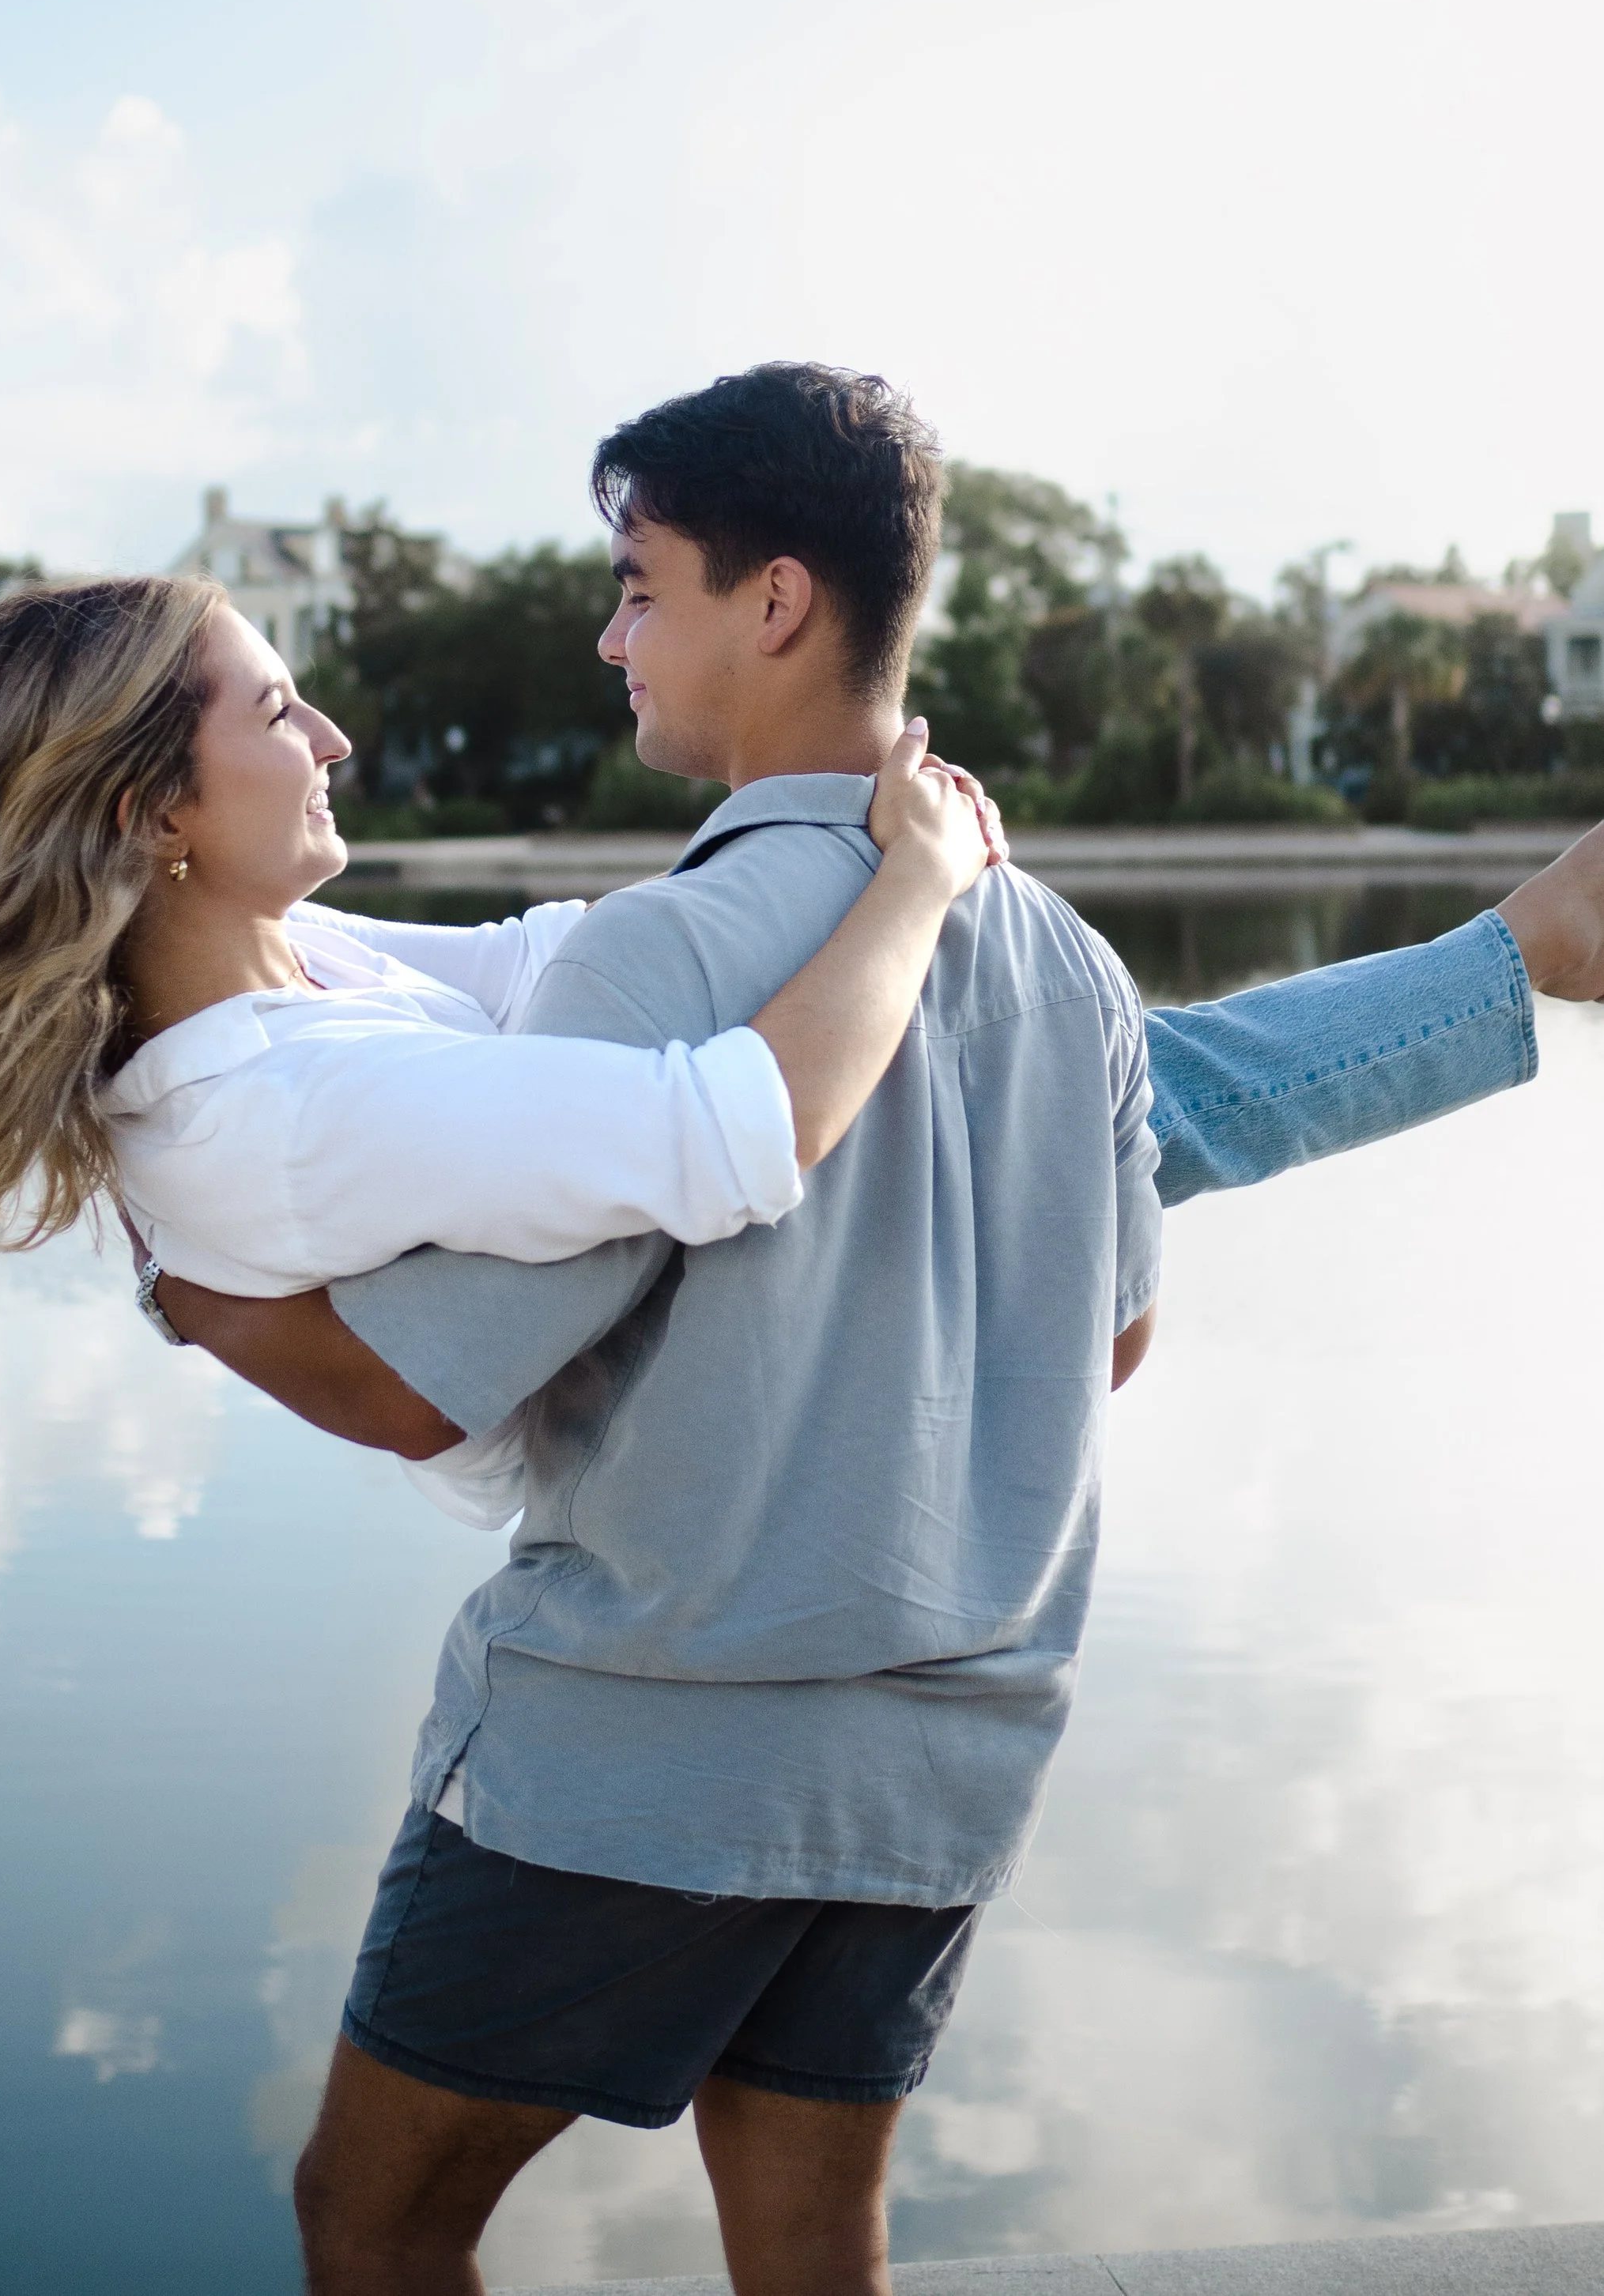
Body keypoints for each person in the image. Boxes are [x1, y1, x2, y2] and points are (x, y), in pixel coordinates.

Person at [145, 366, 1603, 2296]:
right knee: (815, 2249)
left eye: (638, 587)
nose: (609, 636)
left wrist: (196, 1288)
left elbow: (433, 1379)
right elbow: (1107, 1347)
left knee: (376, 2217)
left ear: (772, 603)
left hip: (646, 1750)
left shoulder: (652, 953)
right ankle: (1532, 947)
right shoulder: (1059, 952)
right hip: (939, 1759)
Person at [0, 577, 1003, 1350]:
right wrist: (917, 875)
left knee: (1118, 1045)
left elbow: (547, 958)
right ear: (155, 813)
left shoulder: (270, 960)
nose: (335, 736)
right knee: (1132, 1061)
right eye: (276, 708)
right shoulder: (285, 1108)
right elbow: (746, 1124)